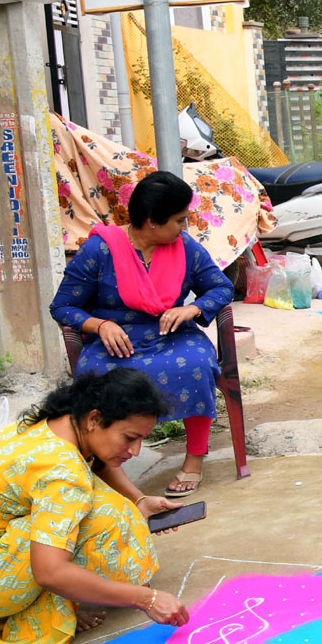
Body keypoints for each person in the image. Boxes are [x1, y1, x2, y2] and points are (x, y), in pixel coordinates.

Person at [0, 369, 190, 644]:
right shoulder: (62, 473)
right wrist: (146, 599)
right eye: (129, 438)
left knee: (107, 506)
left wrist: (138, 500)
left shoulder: (53, 425)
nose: (135, 451)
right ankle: (54, 604)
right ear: (95, 419)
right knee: (99, 520)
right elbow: (49, 571)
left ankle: (64, 590)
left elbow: (97, 460)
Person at [51, 171, 234, 498]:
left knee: (196, 364)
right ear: (152, 221)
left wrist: (191, 309)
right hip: (114, 341)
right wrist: (100, 325)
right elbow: (63, 306)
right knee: (99, 379)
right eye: (179, 220)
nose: (184, 227)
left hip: (173, 335)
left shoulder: (185, 247)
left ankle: (194, 460)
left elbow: (220, 288)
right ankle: (110, 469)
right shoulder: (100, 250)